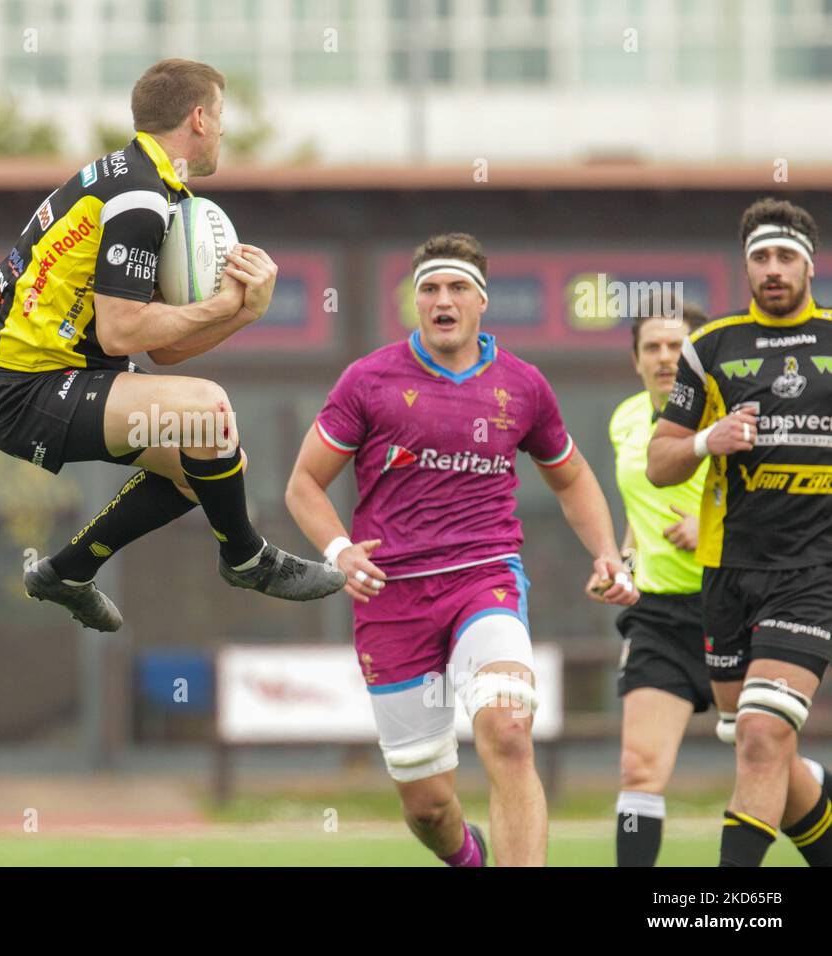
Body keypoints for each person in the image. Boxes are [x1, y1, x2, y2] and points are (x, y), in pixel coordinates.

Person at [285, 233, 637, 866]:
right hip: (392, 599)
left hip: (486, 580)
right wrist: (339, 550)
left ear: (482, 301)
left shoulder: (523, 386)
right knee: (428, 806)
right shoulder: (369, 381)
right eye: (428, 289)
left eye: (455, 289)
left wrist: (606, 551)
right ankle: (469, 858)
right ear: (415, 301)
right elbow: (304, 483)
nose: (441, 301)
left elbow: (573, 475)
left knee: (508, 730)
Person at [0, 58, 343, 632]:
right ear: (197, 119)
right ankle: (246, 558)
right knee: (209, 413)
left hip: (56, 377)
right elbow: (122, 331)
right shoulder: (140, 198)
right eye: (219, 116)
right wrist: (224, 305)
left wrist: (243, 315)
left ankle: (65, 573)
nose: (222, 130)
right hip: (22, 391)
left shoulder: (145, 185)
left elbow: (160, 350)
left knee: (214, 458)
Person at [649, 197, 832, 867]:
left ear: (810, 266)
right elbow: (660, 463)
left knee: (760, 733)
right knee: (759, 742)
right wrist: (707, 440)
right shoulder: (711, 347)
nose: (773, 269)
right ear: (747, 266)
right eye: (761, 257)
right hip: (728, 574)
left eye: (786, 256)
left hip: (813, 574)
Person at [605, 305, 713, 865]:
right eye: (654, 347)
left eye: (679, 347)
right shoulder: (623, 419)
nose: (666, 357)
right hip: (657, 618)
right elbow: (636, 510)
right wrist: (622, 560)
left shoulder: (728, 419)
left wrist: (714, 527)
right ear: (636, 360)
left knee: (777, 768)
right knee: (638, 767)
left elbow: (782, 503)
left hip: (733, 607)